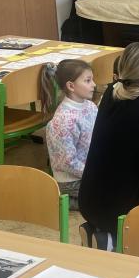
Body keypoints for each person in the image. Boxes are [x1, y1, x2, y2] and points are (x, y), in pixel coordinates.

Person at [79, 42, 139, 250]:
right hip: (119, 209)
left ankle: (101, 233)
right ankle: (112, 240)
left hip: (88, 199)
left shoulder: (112, 90)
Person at [41, 59, 97, 211]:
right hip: (71, 180)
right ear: (71, 86)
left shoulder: (90, 106)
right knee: (113, 196)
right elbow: (68, 163)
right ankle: (65, 200)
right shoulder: (64, 120)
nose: (94, 84)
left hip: (89, 169)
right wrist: (96, 172)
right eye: (88, 81)